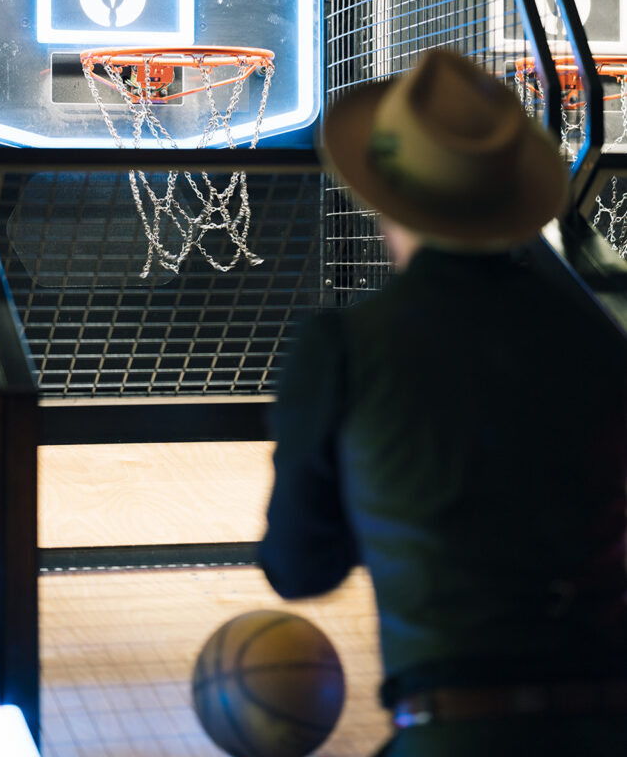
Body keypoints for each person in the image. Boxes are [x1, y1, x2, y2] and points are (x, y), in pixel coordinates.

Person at [258, 50, 627, 756]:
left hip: (455, 727)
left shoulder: (344, 347)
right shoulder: (601, 338)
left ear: (384, 192)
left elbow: (299, 566)